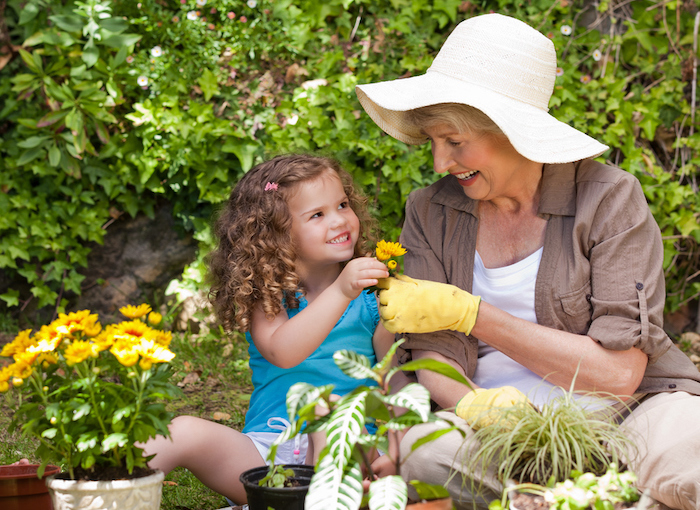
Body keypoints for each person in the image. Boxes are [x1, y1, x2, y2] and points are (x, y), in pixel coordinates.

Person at [355, 13, 700, 510]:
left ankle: (577, 493)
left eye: (454, 141)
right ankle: (602, 496)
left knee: (691, 448)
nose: (439, 163)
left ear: (512, 130)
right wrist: (496, 420)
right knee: (425, 454)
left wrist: (475, 314)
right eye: (433, 142)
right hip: (490, 430)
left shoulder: (609, 200)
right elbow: (433, 355)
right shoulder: (430, 210)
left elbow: (621, 374)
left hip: (625, 415)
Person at [143, 154, 399, 504]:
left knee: (330, 412)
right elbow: (283, 351)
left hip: (347, 449)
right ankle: (97, 489)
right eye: (318, 215)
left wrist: (393, 449)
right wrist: (342, 292)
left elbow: (395, 379)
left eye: (342, 204)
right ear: (277, 234)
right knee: (181, 431)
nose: (340, 220)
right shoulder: (268, 295)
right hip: (266, 456)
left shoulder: (373, 297)